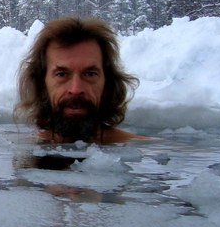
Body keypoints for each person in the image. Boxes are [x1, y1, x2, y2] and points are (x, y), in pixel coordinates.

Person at [15, 16, 146, 144]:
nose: (76, 89)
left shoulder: (143, 152)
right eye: (62, 74)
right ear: (42, 82)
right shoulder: (20, 149)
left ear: (108, 82)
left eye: (89, 74)